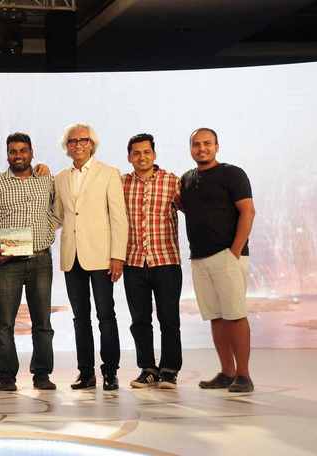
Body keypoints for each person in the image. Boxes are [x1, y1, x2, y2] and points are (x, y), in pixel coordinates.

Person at [0, 132, 57, 392]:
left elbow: (59, 211)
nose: (18, 155)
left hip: (40, 259)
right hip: (7, 264)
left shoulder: (47, 180)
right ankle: (7, 376)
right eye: (13, 151)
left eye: (23, 150)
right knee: (5, 323)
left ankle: (42, 374)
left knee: (42, 322)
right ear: (7, 155)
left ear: (32, 152)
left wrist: (47, 232)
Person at [180, 128, 256, 393]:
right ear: (190, 148)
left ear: (216, 146)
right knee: (216, 317)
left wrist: (235, 251)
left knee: (235, 315)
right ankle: (226, 372)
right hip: (199, 258)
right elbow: (188, 208)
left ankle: (244, 376)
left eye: (207, 143)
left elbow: (248, 211)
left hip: (227, 256)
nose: (202, 148)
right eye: (196, 144)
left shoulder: (232, 174)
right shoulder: (187, 179)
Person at [53, 123, 127, 391]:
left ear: (92, 144)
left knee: (106, 315)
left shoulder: (109, 173)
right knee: (79, 317)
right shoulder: (60, 177)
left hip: (101, 256)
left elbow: (118, 217)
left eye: (83, 140)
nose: (78, 145)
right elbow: (57, 217)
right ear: (67, 146)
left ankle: (110, 371)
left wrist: (118, 256)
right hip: (71, 256)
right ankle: (86, 372)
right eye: (72, 141)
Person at [122, 134, 182, 389]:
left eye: (146, 152)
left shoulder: (172, 181)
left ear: (154, 154)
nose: (142, 157)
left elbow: (197, 208)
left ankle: (169, 370)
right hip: (134, 262)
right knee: (139, 320)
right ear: (129, 157)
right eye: (136, 153)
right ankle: (147, 368)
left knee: (169, 319)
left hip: (166, 260)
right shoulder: (121, 183)